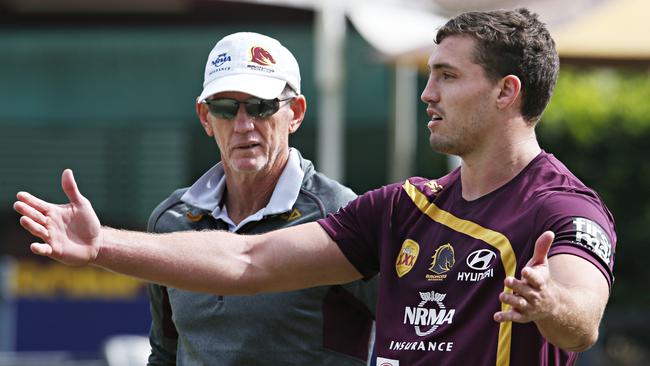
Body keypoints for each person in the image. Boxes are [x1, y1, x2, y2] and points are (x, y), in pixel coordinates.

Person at [14, 8, 616, 366]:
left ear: (506, 91)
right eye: (225, 107)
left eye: (447, 77)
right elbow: (248, 259)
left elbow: (582, 318)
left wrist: (551, 303)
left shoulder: (561, 207)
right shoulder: (401, 208)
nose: (426, 93)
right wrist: (102, 248)